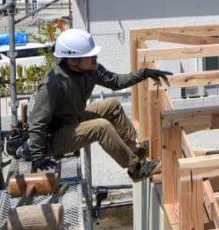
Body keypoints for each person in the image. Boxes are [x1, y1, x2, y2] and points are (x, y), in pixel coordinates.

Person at [17, 29, 169, 181]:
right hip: (53, 137)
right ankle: (136, 169)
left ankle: (133, 150)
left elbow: (115, 81)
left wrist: (143, 73)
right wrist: (38, 157)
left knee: (112, 105)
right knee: (101, 127)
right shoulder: (53, 84)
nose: (95, 57)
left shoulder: (91, 69)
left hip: (73, 119)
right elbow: (37, 124)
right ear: (72, 61)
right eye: (90, 55)